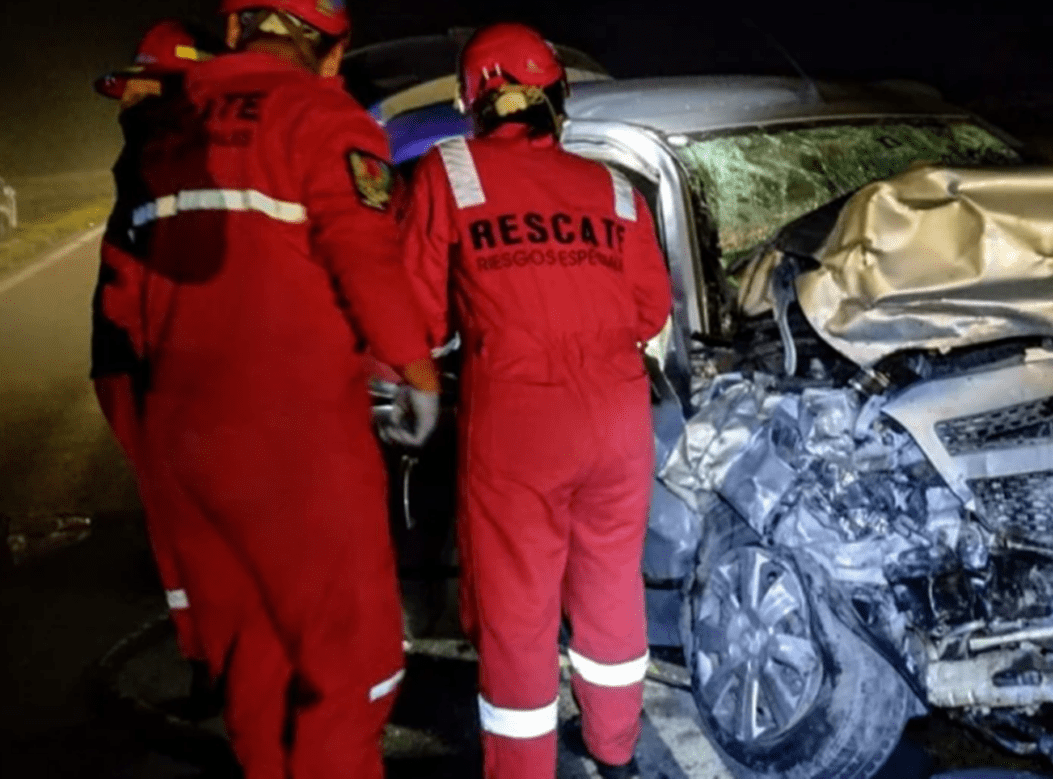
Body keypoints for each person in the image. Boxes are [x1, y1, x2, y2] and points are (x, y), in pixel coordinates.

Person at [100, 1, 441, 777]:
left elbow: (125, 295)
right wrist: (413, 370)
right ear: (332, 48)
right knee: (351, 669)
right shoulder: (321, 114)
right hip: (295, 446)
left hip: (186, 441)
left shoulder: (170, 125)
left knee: (253, 657)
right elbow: (362, 252)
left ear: (235, 29)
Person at [400, 22, 672, 779]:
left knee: (518, 613)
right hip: (619, 422)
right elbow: (650, 312)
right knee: (611, 588)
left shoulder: (448, 172)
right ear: (558, 96)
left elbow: (418, 317)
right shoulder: (615, 187)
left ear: (472, 103)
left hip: (521, 422)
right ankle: (615, 748)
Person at [90, 17, 218, 700]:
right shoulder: (174, 147)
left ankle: (209, 656)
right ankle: (214, 654)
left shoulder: (156, 149)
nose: (127, 99)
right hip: (148, 360)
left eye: (139, 83)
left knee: (180, 516)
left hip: (142, 359)